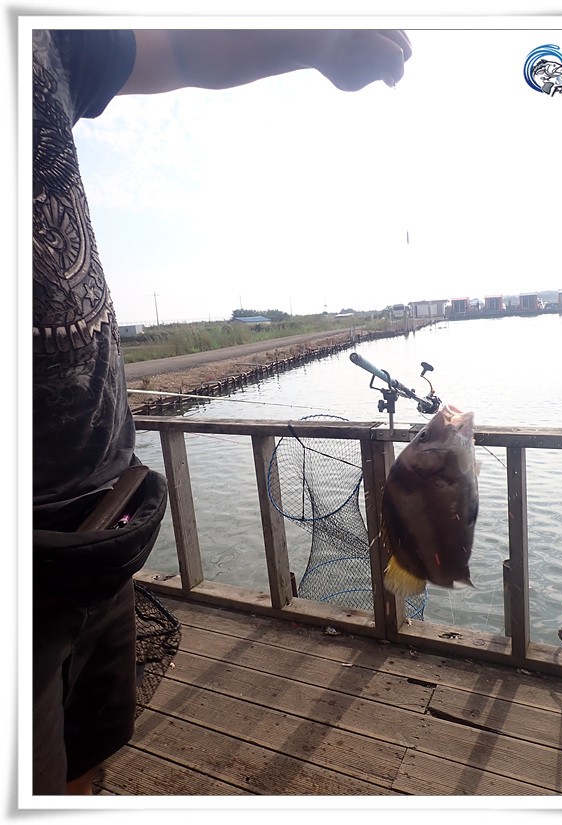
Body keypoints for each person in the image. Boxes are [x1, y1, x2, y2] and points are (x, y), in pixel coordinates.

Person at [32, 28, 412, 796]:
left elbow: (176, 54)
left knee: (88, 753)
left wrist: (318, 42)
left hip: (106, 525)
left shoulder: (41, 34)